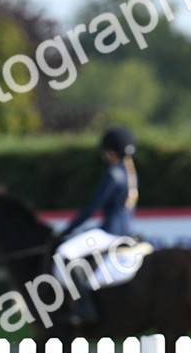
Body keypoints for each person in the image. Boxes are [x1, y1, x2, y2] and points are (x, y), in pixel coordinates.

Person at [56, 126, 140, 325]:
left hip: (109, 233)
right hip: (127, 231)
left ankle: (85, 307)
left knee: (65, 252)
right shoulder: (131, 174)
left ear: (111, 153)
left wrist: (68, 229)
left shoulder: (114, 175)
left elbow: (93, 206)